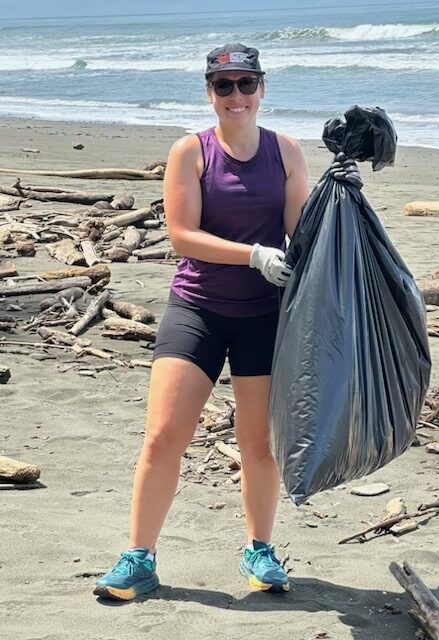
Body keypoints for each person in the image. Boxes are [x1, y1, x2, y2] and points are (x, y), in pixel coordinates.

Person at [94, 42, 309, 601]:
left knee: (258, 443)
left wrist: (343, 191)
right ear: (209, 92)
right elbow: (182, 235)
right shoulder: (191, 151)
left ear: (262, 88)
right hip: (198, 309)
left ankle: (260, 550)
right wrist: (255, 254)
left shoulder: (286, 152)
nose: (235, 95)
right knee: (164, 435)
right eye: (223, 85)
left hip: (265, 316)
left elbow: (301, 232)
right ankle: (139, 558)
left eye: (245, 83)